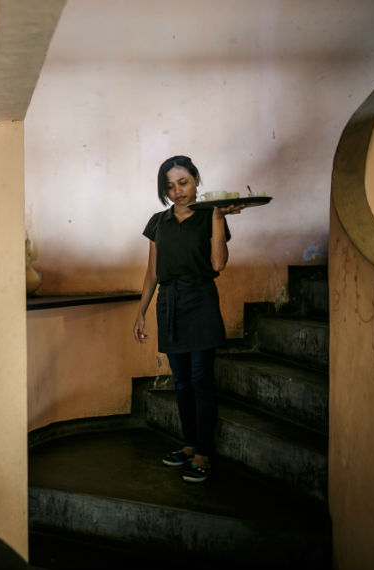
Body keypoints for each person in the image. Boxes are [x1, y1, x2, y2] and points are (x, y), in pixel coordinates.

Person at [133, 155, 244, 483]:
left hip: (200, 300)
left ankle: (203, 453)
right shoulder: (158, 222)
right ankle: (190, 443)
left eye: (183, 182)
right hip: (169, 303)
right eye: (170, 186)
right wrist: (141, 311)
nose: (177, 191)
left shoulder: (211, 215)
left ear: (196, 179)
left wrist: (219, 218)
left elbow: (218, 263)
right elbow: (153, 272)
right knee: (180, 381)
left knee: (200, 380)